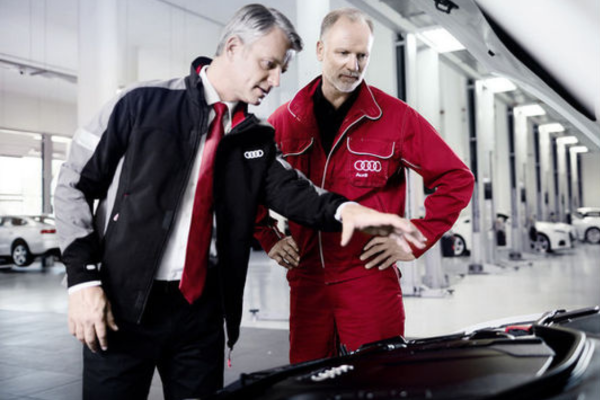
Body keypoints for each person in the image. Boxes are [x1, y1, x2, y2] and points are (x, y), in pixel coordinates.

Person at [54, 4, 426, 400]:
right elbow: (72, 185)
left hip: (200, 316)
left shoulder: (256, 137)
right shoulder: (140, 103)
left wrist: (347, 210)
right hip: (120, 308)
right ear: (233, 47)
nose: (275, 80)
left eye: (282, 69)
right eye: (269, 64)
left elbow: (294, 191)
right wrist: (83, 282)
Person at [254, 8, 474, 364]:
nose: (353, 66)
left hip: (368, 277)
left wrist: (416, 237)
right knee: (309, 381)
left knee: (380, 377)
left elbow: (457, 178)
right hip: (307, 282)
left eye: (362, 55)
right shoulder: (285, 121)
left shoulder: (396, 118)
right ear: (320, 50)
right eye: (343, 53)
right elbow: (250, 182)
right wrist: (269, 237)